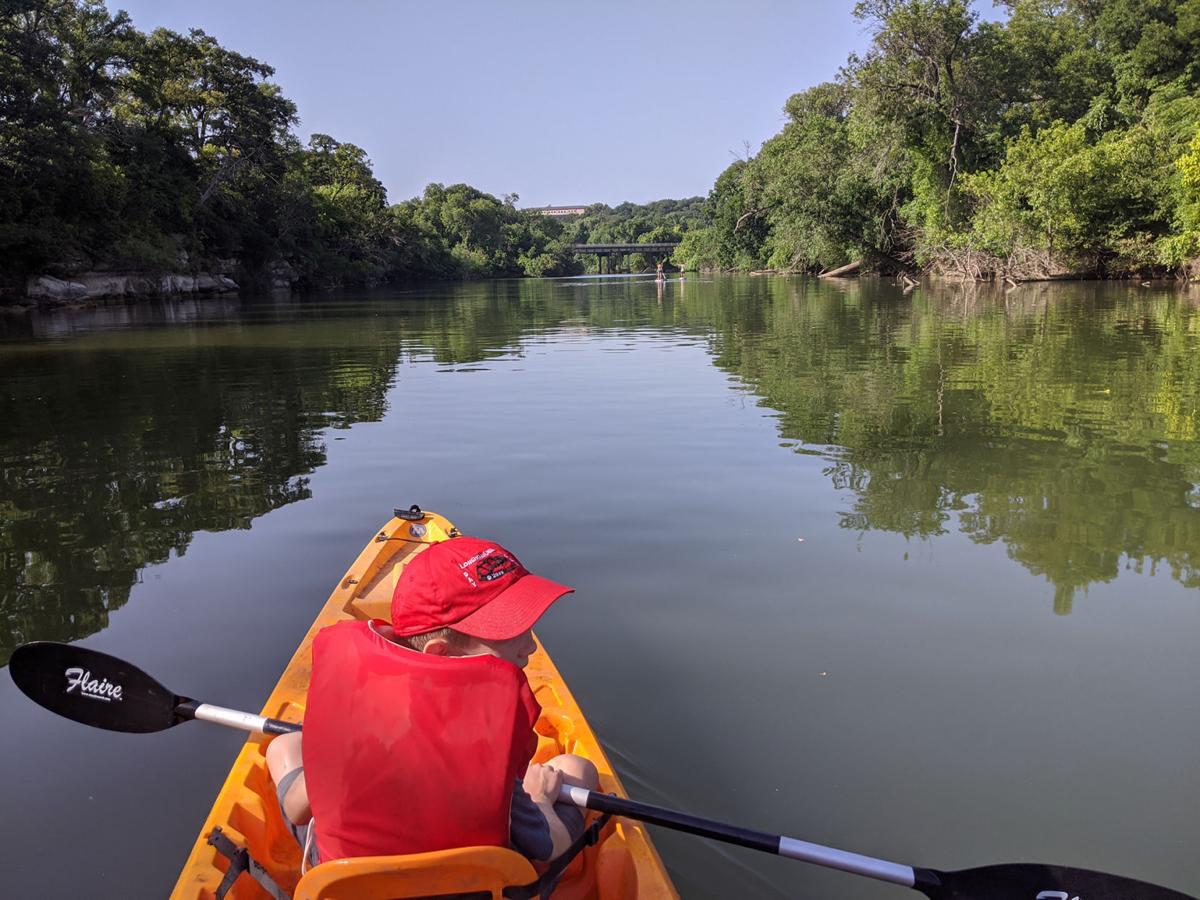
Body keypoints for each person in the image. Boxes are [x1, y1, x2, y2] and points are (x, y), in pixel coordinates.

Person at [265, 536, 598, 871]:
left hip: (346, 883)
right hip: (473, 887)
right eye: (508, 633)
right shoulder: (485, 746)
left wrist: (326, 763)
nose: (530, 647)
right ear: (439, 652)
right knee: (575, 768)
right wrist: (539, 797)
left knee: (283, 746)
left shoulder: (354, 726)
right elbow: (549, 848)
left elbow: (296, 810)